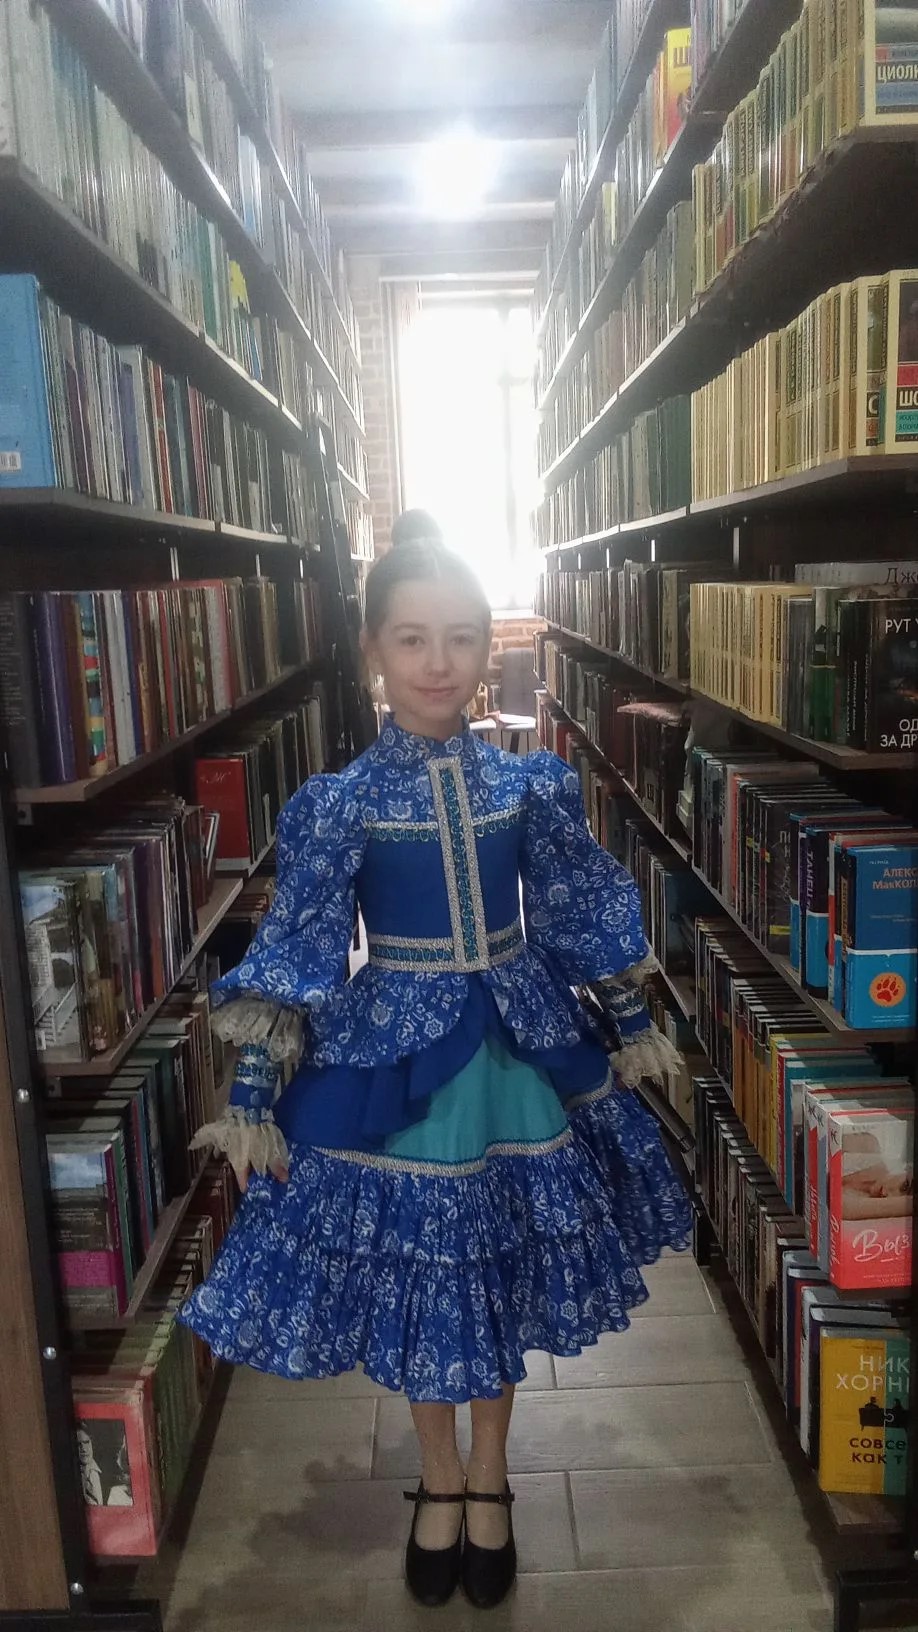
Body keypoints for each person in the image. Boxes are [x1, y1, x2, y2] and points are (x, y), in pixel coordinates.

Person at [179, 541, 690, 1611]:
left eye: (460, 638)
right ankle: (440, 1479)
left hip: (517, 1049)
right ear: (373, 648)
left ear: (487, 646)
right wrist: (254, 1098)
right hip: (398, 1057)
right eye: (412, 639)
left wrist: (633, 1022)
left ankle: (491, 1477)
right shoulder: (340, 803)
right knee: (427, 1275)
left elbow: (574, 909)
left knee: (497, 1272)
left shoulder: (527, 785)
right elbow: (302, 951)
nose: (438, 662)